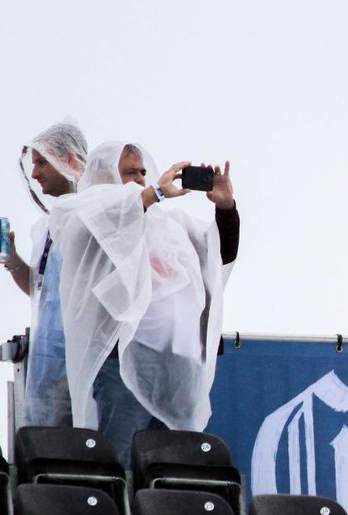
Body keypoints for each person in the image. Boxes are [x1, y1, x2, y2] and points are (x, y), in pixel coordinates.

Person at [46, 140, 239, 464]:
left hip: (175, 366)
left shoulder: (170, 225)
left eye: (142, 172)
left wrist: (226, 208)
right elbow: (112, 220)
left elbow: (218, 255)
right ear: (104, 176)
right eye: (129, 172)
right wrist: (155, 193)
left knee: (171, 469)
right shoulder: (81, 215)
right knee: (120, 461)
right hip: (121, 364)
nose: (139, 179)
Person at [0, 120, 88, 427]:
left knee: (85, 442)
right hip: (49, 359)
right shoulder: (46, 227)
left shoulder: (93, 215)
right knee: (45, 442)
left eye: (42, 162)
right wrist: (12, 259)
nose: (34, 173)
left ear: (68, 159)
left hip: (84, 354)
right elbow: (40, 290)